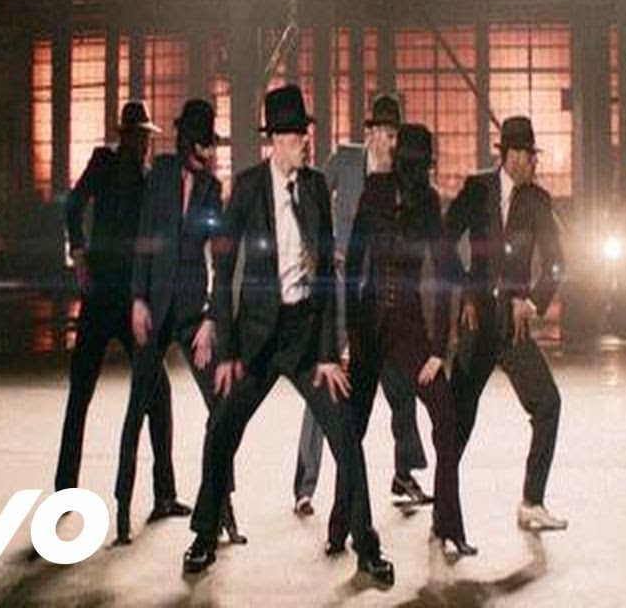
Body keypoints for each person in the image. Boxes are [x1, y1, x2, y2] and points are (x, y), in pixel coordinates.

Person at [182, 84, 394, 587]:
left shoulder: (316, 187)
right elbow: (223, 266)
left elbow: (327, 277)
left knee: (346, 433)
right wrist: (228, 350)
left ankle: (367, 548)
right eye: (298, 137)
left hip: (304, 339)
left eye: (305, 135)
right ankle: (204, 535)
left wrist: (328, 352)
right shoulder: (248, 187)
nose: (305, 144)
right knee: (221, 428)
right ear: (276, 142)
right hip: (256, 339)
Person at [327, 122, 475, 556]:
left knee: (445, 417)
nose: (421, 172)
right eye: (418, 164)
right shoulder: (375, 191)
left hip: (409, 330)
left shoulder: (427, 203)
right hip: (368, 327)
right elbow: (354, 266)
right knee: (353, 425)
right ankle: (339, 526)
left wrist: (438, 350)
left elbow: (446, 274)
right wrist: (348, 335)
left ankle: (448, 524)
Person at [293, 93, 431, 517]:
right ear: (370, 133)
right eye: (384, 133)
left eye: (395, 134)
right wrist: (317, 247)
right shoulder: (345, 161)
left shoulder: (401, 177)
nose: (389, 142)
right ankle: (305, 485)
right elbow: (309, 196)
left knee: (400, 383)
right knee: (326, 378)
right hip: (339, 288)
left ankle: (404, 472)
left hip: (378, 298)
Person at [114, 99, 244, 545]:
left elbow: (222, 261)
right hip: (153, 308)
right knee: (136, 409)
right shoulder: (161, 174)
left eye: (211, 146)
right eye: (202, 145)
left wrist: (211, 319)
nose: (208, 154)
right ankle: (123, 511)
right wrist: (137, 299)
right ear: (186, 143)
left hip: (191, 315)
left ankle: (223, 511)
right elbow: (143, 240)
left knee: (222, 407)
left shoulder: (212, 189)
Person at [55, 101, 186, 523]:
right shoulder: (104, 163)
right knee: (80, 394)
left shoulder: (149, 180)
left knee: (158, 393)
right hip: (102, 297)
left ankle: (164, 494)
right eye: (140, 136)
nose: (145, 144)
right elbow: (73, 204)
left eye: (147, 137)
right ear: (125, 136)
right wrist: (78, 252)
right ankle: (64, 493)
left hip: (130, 301)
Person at [444, 115, 569, 532]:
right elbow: (444, 240)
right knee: (459, 418)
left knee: (547, 404)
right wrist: (466, 289)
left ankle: (532, 502)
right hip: (477, 322)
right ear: (512, 155)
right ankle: (444, 510)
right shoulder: (477, 188)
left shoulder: (537, 201)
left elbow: (557, 263)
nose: (535, 162)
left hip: (512, 329)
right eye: (530, 155)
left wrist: (531, 303)